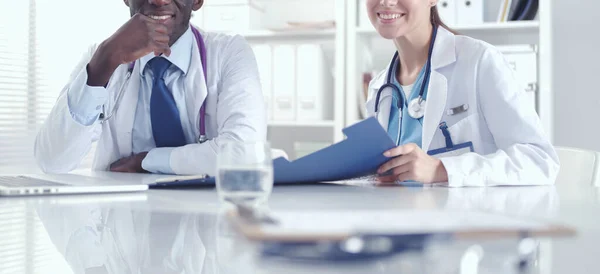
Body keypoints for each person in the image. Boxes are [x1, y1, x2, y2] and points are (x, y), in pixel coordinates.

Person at [34, 0, 266, 175]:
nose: (158, 0)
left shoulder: (229, 54)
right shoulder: (102, 58)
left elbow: (245, 153)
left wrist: (146, 162)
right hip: (121, 224)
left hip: (206, 225)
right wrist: (103, 62)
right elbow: (52, 161)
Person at [365, 0, 559, 186]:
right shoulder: (379, 88)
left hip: (471, 217)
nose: (386, 2)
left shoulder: (479, 61)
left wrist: (442, 169)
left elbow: (539, 161)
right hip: (396, 216)